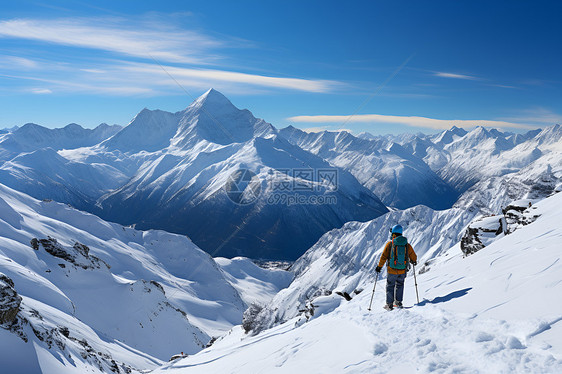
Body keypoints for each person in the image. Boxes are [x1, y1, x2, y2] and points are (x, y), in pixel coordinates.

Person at [375, 224, 417, 310]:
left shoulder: (390, 244)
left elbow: (383, 256)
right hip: (402, 270)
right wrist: (413, 261)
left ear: (393, 233)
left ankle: (389, 305)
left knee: (390, 286)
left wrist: (379, 267)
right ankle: (398, 302)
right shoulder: (406, 245)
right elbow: (413, 256)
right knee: (400, 285)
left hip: (392, 270)